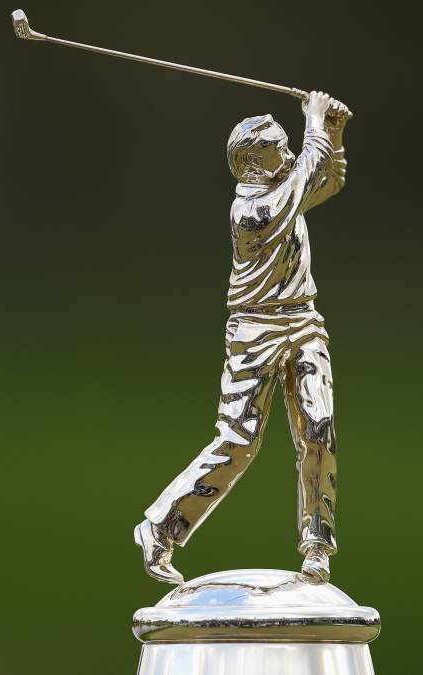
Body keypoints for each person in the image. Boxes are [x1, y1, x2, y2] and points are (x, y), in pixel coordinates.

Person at [134, 91, 352, 585]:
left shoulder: (285, 189)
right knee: (239, 441)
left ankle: (317, 543)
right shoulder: (254, 211)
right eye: (279, 148)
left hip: (303, 322)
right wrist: (315, 121)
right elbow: (308, 173)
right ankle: (160, 527)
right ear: (253, 163)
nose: (289, 153)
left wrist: (334, 132)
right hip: (255, 332)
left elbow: (328, 179)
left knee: (319, 428)